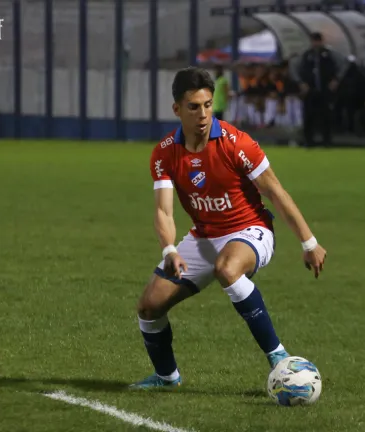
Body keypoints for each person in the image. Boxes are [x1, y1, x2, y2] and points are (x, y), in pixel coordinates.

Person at [131, 67, 327, 389]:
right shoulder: (165, 153)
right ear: (177, 109)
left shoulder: (238, 144)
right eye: (194, 107)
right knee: (149, 306)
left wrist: (309, 243)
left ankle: (279, 358)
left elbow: (276, 192)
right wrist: (169, 250)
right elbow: (164, 211)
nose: (203, 114)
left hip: (250, 229)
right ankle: (167, 377)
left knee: (227, 268)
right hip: (204, 237)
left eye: (208, 105)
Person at [297, 32, 339, 147]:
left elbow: (334, 69)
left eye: (317, 41)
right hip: (310, 90)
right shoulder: (307, 55)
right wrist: (302, 83)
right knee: (309, 116)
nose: (316, 44)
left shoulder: (327, 55)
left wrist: (334, 80)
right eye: (314, 41)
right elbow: (301, 71)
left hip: (324, 89)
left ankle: (327, 140)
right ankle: (308, 140)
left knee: (325, 116)